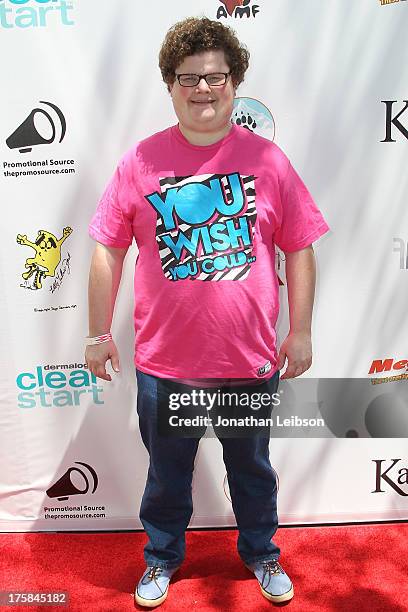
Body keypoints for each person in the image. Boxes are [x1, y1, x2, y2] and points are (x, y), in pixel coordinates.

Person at [86, 16, 329, 608]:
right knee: (167, 478)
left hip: (247, 362)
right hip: (165, 366)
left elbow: (299, 246)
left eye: (215, 76)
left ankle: (263, 555)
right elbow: (106, 250)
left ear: (235, 82)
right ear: (170, 85)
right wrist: (97, 333)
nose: (202, 89)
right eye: (188, 77)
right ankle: (162, 559)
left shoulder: (268, 161)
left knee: (253, 472)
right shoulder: (140, 163)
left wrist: (300, 332)